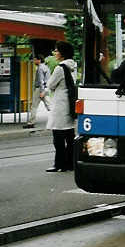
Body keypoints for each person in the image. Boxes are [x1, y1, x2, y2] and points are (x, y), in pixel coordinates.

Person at [46, 41, 77, 172]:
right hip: (69, 104)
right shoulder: (74, 66)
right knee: (69, 136)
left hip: (59, 104)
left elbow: (50, 85)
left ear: (63, 53)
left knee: (58, 137)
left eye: (57, 51)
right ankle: (70, 162)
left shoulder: (60, 68)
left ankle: (59, 164)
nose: (55, 53)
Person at [24, 54, 51, 128]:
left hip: (39, 89)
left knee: (34, 106)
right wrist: (45, 90)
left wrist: (42, 92)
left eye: (35, 59)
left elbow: (41, 81)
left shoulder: (40, 68)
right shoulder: (46, 67)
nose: (34, 61)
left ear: (39, 60)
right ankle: (57, 120)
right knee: (49, 106)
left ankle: (31, 123)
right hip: (46, 88)